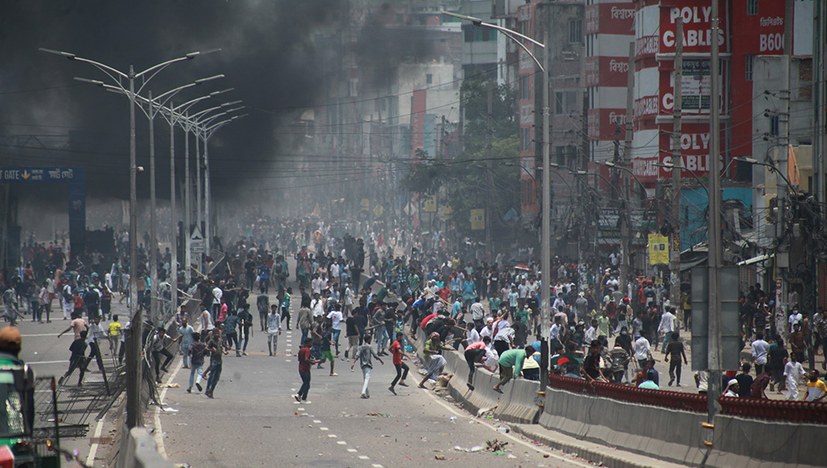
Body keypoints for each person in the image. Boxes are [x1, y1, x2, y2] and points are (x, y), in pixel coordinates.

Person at [295, 338, 319, 403]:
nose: (311, 344)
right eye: (311, 343)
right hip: (305, 369)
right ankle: (300, 395)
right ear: (308, 343)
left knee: (306, 383)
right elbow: (306, 359)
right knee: (306, 383)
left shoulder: (301, 350)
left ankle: (303, 397)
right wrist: (311, 362)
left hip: (300, 368)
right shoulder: (307, 350)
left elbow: (300, 359)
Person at [205, 327, 226, 398]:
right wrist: (211, 349)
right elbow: (206, 348)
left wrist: (225, 351)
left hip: (220, 360)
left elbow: (222, 347)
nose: (217, 334)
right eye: (216, 333)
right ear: (213, 334)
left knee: (217, 377)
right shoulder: (211, 341)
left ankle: (211, 390)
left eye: (218, 333)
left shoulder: (220, 340)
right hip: (214, 360)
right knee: (212, 376)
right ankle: (208, 389)